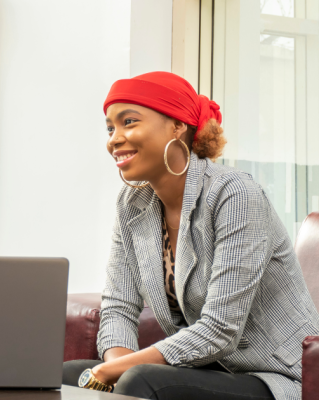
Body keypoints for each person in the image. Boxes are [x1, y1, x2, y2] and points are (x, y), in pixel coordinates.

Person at [62, 71, 319, 400]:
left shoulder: (235, 195)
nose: (114, 138)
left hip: (273, 376)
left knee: (138, 381)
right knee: (65, 376)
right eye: (110, 127)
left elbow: (220, 329)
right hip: (204, 369)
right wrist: (113, 367)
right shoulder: (132, 205)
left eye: (129, 122)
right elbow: (118, 308)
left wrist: (116, 372)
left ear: (177, 126)